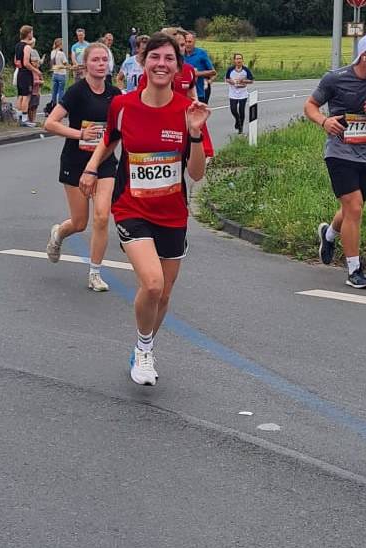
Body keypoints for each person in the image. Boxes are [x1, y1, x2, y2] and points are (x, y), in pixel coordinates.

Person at [79, 32, 211, 386]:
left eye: (169, 59)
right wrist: (92, 169)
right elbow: (110, 139)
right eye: (155, 58)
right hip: (132, 206)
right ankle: (143, 350)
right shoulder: (123, 106)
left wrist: (195, 134)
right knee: (151, 285)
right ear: (143, 62)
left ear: (178, 67)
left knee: (164, 294)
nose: (161, 64)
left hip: (173, 213)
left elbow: (196, 173)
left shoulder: (188, 112)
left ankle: (146, 343)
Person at [304, 33, 366, 290]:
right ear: (364, 55)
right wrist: (324, 121)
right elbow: (310, 106)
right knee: (355, 208)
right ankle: (354, 270)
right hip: (338, 152)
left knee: (350, 210)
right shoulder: (335, 78)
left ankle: (329, 234)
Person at [44, 43, 122, 293]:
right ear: (86, 64)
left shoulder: (116, 94)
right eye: (96, 60)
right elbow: (50, 123)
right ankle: (58, 233)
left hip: (105, 161)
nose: (101, 64)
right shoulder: (76, 92)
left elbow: (119, 132)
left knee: (102, 216)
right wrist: (81, 133)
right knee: (80, 223)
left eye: (104, 60)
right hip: (75, 162)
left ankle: (95, 273)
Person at [13, 26, 42, 127]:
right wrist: (36, 71)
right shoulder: (27, 47)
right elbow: (26, 62)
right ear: (28, 34)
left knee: (20, 95)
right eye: (32, 32)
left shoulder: (17, 45)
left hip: (19, 72)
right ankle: (25, 119)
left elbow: (16, 61)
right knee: (27, 96)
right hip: (26, 73)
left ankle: (19, 116)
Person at [181, 31, 216, 103]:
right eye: (186, 42)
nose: (187, 44)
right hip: (183, 93)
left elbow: (213, 72)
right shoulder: (180, 54)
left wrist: (195, 73)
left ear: (194, 42)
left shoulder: (201, 53)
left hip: (199, 93)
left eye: (190, 42)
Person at [225, 53, 254, 134]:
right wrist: (232, 81)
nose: (239, 60)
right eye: (237, 59)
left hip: (243, 93)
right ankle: (237, 121)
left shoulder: (246, 70)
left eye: (240, 59)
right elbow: (227, 79)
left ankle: (240, 127)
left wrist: (243, 81)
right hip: (233, 93)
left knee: (241, 110)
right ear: (234, 60)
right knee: (233, 109)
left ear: (242, 60)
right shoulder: (230, 69)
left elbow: (251, 80)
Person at [47, 37, 69, 113]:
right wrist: (69, 66)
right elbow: (65, 63)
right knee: (61, 91)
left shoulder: (52, 52)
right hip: (61, 73)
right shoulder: (61, 53)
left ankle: (53, 104)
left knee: (54, 91)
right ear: (60, 44)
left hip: (55, 73)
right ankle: (60, 106)